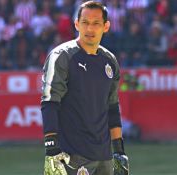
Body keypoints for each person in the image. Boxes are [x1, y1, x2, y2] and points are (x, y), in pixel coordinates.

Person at [41, 1, 129, 175]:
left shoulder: (110, 61)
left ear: (106, 26)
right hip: (71, 157)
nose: (90, 29)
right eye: (85, 23)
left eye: (96, 23)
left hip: (105, 157)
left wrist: (119, 151)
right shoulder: (62, 56)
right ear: (76, 24)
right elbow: (50, 102)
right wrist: (51, 150)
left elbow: (112, 108)